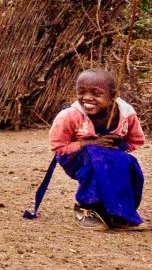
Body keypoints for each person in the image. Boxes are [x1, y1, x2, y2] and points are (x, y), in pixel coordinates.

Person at [47, 69, 145, 230]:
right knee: (95, 157)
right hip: (75, 157)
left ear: (113, 96)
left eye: (96, 93)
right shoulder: (69, 116)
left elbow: (136, 140)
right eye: (81, 92)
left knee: (128, 163)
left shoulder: (126, 114)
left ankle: (120, 212)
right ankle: (87, 208)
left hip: (108, 156)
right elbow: (58, 147)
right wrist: (90, 143)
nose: (86, 97)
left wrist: (117, 147)